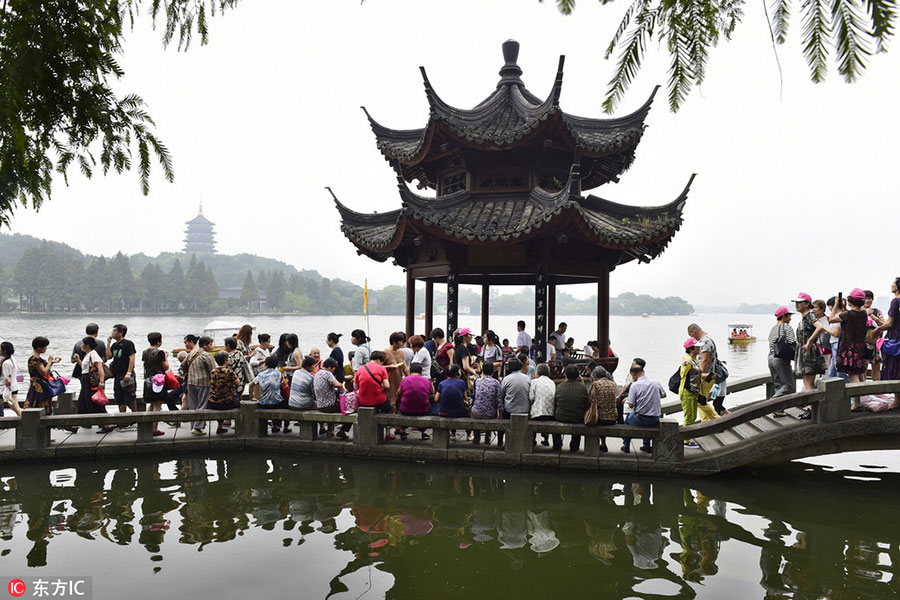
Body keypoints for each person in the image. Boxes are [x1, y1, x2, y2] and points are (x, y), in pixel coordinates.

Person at [830, 289, 871, 410]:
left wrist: (836, 306)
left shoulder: (847, 315)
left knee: (853, 375)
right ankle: (859, 401)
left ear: (850, 301)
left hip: (848, 348)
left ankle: (857, 403)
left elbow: (831, 319)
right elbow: (852, 316)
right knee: (858, 373)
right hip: (860, 347)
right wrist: (843, 309)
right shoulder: (864, 313)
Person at [622, 358, 665, 454]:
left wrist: (629, 399)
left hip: (641, 419)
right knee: (646, 417)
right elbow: (664, 395)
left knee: (628, 419)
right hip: (655, 419)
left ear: (633, 374)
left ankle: (626, 445)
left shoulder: (635, 385)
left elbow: (631, 404)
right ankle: (646, 445)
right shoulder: (655, 382)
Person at [680, 338, 718, 444]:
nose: (699, 347)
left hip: (694, 391)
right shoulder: (687, 359)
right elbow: (685, 368)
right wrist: (687, 363)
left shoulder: (696, 360)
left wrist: (709, 375)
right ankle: (686, 440)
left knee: (693, 416)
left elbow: (696, 374)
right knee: (689, 417)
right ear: (692, 349)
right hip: (687, 391)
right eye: (697, 346)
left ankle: (687, 438)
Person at [872, 277, 900, 409]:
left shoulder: (896, 302)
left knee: (895, 369)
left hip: (895, 339)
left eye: (893, 283)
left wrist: (878, 330)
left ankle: (896, 401)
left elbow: (889, 323)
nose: (891, 285)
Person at [688, 323, 726, 415]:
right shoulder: (708, 338)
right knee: (708, 402)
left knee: (702, 401)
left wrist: (702, 376)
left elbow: (705, 360)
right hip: (711, 375)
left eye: (691, 335)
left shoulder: (704, 342)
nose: (692, 339)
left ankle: (713, 421)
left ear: (694, 331)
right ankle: (711, 420)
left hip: (708, 376)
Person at [792, 293, 825, 394]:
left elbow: (820, 327)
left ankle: (812, 407)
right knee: (806, 381)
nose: (797, 305)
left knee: (809, 381)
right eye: (796, 303)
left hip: (810, 352)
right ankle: (811, 406)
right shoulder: (804, 317)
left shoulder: (809, 316)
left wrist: (809, 341)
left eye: (799, 302)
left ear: (807, 304)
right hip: (805, 352)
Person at [553, 364, 590, 452]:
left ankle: (557, 444)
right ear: (578, 376)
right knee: (578, 415)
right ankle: (574, 445)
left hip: (561, 417)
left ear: (566, 375)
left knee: (555, 416)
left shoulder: (559, 387)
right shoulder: (583, 388)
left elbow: (555, 404)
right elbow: (586, 405)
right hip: (577, 417)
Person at [75, 336, 107, 433]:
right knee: (83, 401)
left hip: (90, 381)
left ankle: (106, 423)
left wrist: (101, 382)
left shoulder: (93, 354)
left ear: (87, 345)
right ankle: (82, 422)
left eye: (82, 344)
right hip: (85, 379)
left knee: (94, 402)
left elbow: (100, 368)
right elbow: (86, 368)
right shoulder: (88, 354)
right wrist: (78, 361)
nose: (81, 345)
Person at [185, 335, 216, 436]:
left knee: (193, 405)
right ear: (205, 345)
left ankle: (193, 425)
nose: (212, 346)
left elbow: (183, 365)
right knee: (202, 404)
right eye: (211, 344)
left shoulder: (192, 352)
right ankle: (198, 428)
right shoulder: (207, 355)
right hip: (203, 382)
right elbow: (213, 371)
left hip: (191, 382)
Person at [252, 355, 291, 434]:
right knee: (284, 402)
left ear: (266, 365)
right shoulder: (279, 374)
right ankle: (286, 426)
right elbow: (285, 386)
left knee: (274, 398)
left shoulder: (261, 374)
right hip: (276, 403)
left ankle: (275, 425)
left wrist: (251, 397)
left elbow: (251, 385)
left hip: (263, 404)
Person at [497, 357, 530, 447]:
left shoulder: (506, 379)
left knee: (502, 418)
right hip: (525, 409)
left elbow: (502, 395)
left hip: (510, 410)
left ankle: (500, 440)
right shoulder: (527, 378)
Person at [767, 307, 797, 407]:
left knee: (778, 385)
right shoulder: (786, 327)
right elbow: (792, 341)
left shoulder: (773, 328)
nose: (790, 319)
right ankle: (771, 402)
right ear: (784, 316)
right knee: (788, 385)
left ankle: (778, 410)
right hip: (781, 359)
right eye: (789, 316)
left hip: (771, 358)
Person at [396, 362, 433, 439]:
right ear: (421, 371)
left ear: (409, 370)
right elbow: (432, 392)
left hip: (406, 410)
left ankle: (402, 430)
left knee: (399, 403)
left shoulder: (405, 380)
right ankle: (423, 432)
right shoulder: (426, 381)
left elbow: (398, 393)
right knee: (429, 404)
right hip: (422, 410)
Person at [25, 336, 62, 413]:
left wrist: (51, 363)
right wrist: (49, 361)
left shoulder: (35, 356)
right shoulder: (35, 358)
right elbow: (43, 372)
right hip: (38, 386)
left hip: (38, 384)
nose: (46, 348)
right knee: (38, 403)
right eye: (45, 346)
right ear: (39, 347)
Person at [208, 350, 241, 434]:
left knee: (219, 397)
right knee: (241, 405)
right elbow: (238, 383)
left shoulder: (213, 372)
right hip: (226, 403)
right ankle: (239, 426)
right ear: (226, 360)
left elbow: (211, 383)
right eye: (229, 358)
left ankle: (220, 426)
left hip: (213, 403)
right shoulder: (229, 372)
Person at [107, 324, 137, 415]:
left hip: (126, 373)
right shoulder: (114, 345)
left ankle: (135, 415)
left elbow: (132, 357)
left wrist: (129, 372)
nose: (113, 333)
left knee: (129, 397)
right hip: (117, 374)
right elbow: (109, 356)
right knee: (119, 397)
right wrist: (108, 344)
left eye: (115, 331)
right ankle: (122, 419)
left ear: (121, 333)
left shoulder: (128, 343)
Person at [587, 366, 617, 452]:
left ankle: (591, 447)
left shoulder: (595, 385)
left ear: (595, 376)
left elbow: (590, 400)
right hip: (612, 418)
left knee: (591, 417)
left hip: (598, 419)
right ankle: (603, 444)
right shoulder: (613, 384)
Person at [471, 361, 501, 444]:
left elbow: (474, 396)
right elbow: (499, 402)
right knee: (490, 409)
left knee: (475, 410)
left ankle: (476, 437)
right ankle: (488, 436)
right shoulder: (496, 383)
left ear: (483, 371)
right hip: (490, 414)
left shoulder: (477, 381)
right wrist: (500, 416)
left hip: (476, 413)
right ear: (492, 371)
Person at [354, 350, 391, 416]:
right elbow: (387, 386)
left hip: (362, 401)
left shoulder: (360, 369)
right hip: (379, 400)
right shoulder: (382, 369)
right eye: (382, 362)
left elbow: (355, 387)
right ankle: (386, 426)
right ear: (378, 360)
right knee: (388, 409)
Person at [529, 363, 555, 446]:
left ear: (537, 373)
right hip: (550, 414)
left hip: (537, 414)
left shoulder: (534, 382)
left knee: (535, 409)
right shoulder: (552, 383)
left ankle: (532, 440)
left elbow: (531, 398)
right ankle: (546, 438)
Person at [144, 348, 169, 436]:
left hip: (149, 380)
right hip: (158, 381)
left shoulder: (145, 352)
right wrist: (166, 357)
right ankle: (154, 429)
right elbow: (166, 367)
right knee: (158, 405)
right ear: (159, 341)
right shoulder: (160, 353)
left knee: (152, 404)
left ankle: (145, 425)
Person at [383, 332, 409, 410]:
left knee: (400, 402)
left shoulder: (400, 352)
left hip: (399, 381)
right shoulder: (385, 352)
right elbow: (378, 367)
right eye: (400, 341)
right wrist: (389, 367)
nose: (402, 343)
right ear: (394, 342)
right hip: (390, 382)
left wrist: (410, 378)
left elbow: (405, 367)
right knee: (391, 403)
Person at [224, 337, 253, 403]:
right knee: (239, 397)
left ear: (228, 345)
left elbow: (227, 369)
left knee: (233, 399)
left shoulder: (229, 357)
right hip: (242, 379)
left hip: (233, 381)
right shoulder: (240, 353)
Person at [0, 341, 23, 418]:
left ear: (4, 351)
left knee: (15, 407)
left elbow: (8, 378)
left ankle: (27, 422)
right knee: (15, 407)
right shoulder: (11, 360)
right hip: (12, 389)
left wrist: (7, 391)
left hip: (7, 391)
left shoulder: (6, 363)